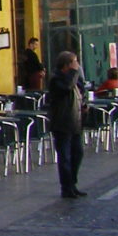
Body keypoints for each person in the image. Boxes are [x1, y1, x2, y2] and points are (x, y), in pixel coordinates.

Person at [47, 51, 88, 199]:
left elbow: (79, 91)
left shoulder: (74, 78)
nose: (77, 65)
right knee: (64, 156)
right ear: (67, 65)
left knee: (78, 153)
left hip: (75, 121)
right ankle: (66, 187)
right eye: (74, 62)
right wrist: (74, 72)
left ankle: (73, 182)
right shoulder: (56, 79)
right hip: (62, 122)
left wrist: (84, 103)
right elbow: (67, 87)